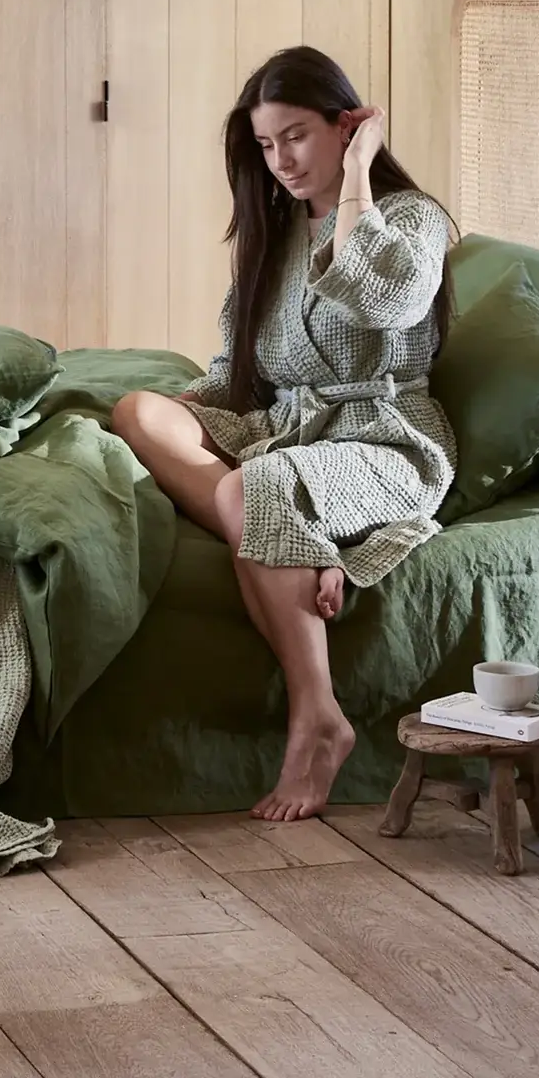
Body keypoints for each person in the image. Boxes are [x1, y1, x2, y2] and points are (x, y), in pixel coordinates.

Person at [112, 46, 456, 822]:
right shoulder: (275, 231)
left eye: (296, 136)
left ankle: (318, 715)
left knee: (252, 484)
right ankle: (299, 543)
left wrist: (359, 175)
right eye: (267, 145)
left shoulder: (411, 218)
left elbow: (387, 301)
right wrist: (185, 407)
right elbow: (236, 369)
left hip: (385, 441)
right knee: (136, 412)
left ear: (345, 125)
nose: (281, 161)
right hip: (287, 430)